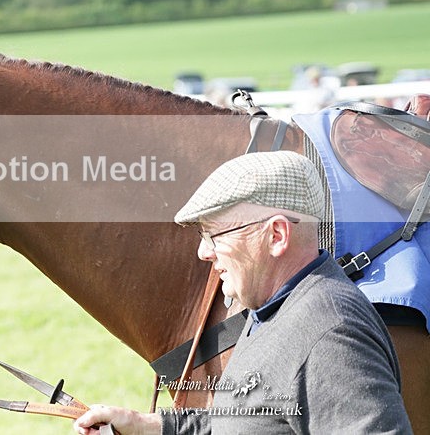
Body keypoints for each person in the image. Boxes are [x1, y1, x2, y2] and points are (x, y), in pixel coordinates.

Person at [74, 151, 411, 434]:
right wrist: (148, 425)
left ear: (276, 235)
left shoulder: (330, 335)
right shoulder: (273, 307)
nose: (204, 253)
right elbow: (250, 418)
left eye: (215, 235)